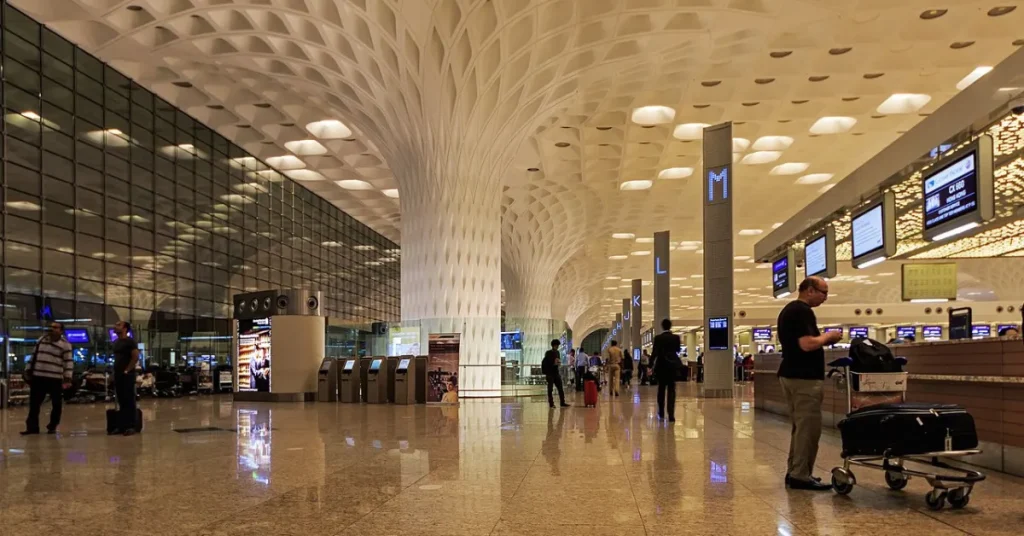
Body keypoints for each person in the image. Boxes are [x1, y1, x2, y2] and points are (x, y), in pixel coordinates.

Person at [777, 277, 843, 491]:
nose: (826, 297)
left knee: (800, 428)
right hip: (803, 378)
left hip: (791, 374)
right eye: (824, 292)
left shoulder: (789, 310)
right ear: (810, 290)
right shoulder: (802, 311)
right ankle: (800, 476)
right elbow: (806, 344)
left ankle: (795, 471)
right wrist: (829, 337)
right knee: (808, 429)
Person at [21, 322, 73, 435]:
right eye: (51, 327)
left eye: (55, 327)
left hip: (55, 378)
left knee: (56, 404)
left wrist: (67, 379)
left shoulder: (65, 344)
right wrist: (28, 369)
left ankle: (52, 426)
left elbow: (68, 363)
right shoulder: (41, 339)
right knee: (34, 404)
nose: (51, 329)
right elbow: (33, 355)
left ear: (61, 330)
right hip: (38, 377)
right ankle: (32, 428)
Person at [111, 321, 140, 436]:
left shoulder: (130, 342)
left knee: (128, 399)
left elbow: (135, 357)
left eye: (118, 325)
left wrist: (127, 370)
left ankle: (131, 425)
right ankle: (121, 425)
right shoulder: (116, 342)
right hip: (118, 374)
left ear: (125, 328)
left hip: (127, 375)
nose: (115, 326)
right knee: (121, 400)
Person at [651, 319, 682, 421]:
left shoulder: (658, 338)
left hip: (661, 367)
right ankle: (671, 414)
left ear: (662, 326)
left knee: (661, 389)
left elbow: (654, 353)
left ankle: (661, 412)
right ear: (670, 326)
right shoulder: (676, 338)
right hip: (672, 367)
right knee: (672, 390)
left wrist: (650, 365)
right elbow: (678, 350)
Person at [542, 339, 569, 408]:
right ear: (553, 345)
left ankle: (562, 402)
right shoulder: (548, 353)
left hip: (556, 372)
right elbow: (547, 362)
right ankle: (551, 404)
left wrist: (558, 363)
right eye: (556, 345)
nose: (557, 347)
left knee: (560, 388)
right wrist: (553, 363)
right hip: (550, 373)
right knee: (550, 389)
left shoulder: (557, 352)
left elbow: (557, 360)